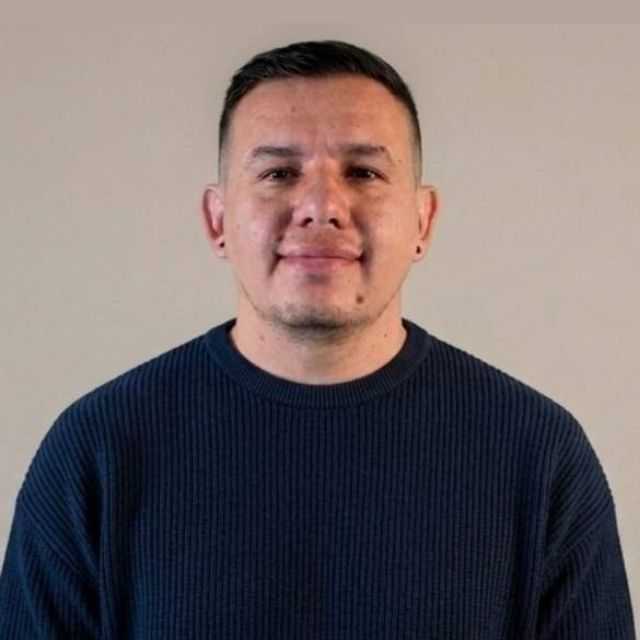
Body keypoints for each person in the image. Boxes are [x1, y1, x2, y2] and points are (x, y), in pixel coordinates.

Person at [0, 39, 635, 639]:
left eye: (364, 172)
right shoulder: (96, 452)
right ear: (217, 220)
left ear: (423, 220)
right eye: (278, 172)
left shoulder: (539, 456)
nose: (321, 206)